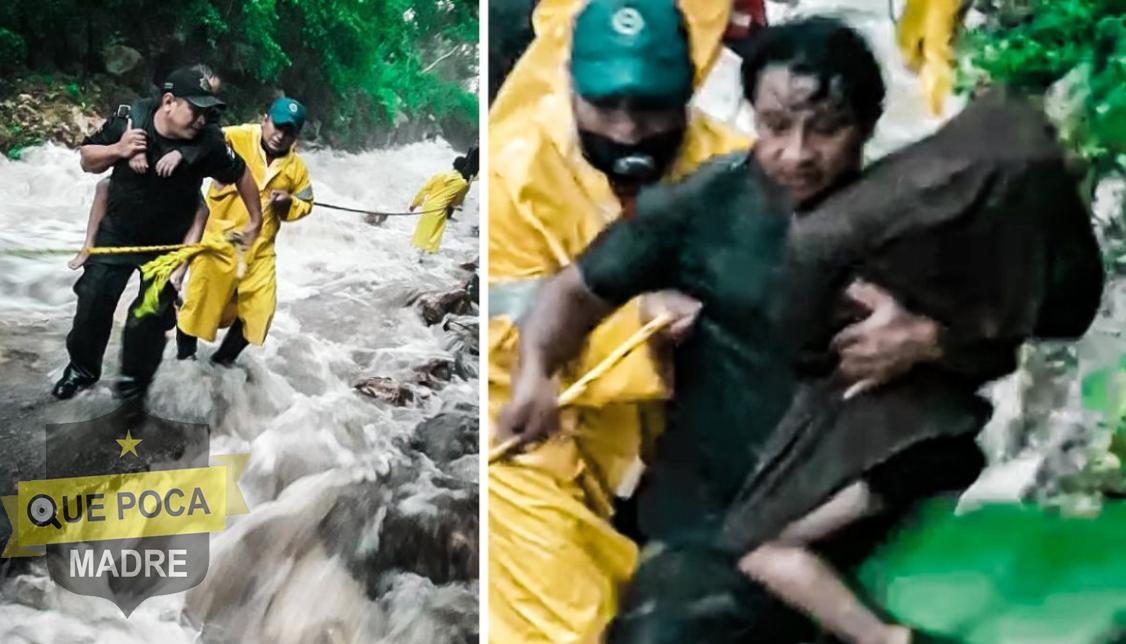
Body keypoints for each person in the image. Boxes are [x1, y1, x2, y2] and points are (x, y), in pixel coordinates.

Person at [500, 16, 1101, 644]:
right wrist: (536, 373)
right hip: (717, 518)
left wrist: (930, 337)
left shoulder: (923, 209)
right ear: (753, 115)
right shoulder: (703, 205)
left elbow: (1056, 311)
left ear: (868, 125)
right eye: (777, 127)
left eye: (828, 129)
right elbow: (574, 291)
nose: (798, 153)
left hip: (867, 505)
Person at [486, 0, 754, 641]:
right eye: (605, 107)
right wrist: (642, 322)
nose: (629, 132)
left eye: (652, 108)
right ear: (570, 86)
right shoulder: (514, 176)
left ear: (690, 87)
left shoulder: (745, 171)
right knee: (569, 628)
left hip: (684, 445)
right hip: (535, 442)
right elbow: (506, 356)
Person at [52, 66, 264, 404]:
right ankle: (81, 370)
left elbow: (242, 174)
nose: (201, 119)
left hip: (167, 245)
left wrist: (256, 220)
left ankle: (132, 387)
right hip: (118, 233)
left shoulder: (208, 143)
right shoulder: (128, 122)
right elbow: (87, 160)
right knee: (93, 301)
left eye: (207, 113)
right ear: (168, 101)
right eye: (195, 109)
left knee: (147, 320)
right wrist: (118, 150)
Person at [175, 98, 314, 366]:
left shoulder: (297, 169)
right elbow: (200, 144)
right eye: (277, 126)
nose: (280, 135)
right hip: (219, 239)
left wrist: (290, 203)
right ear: (264, 119)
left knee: (260, 311)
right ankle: (185, 363)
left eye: (289, 132)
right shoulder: (236, 137)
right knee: (198, 305)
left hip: (260, 250)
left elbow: (307, 203)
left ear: (296, 136)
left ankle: (222, 361)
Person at [69, 64, 224, 272]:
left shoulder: (208, 117)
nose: (208, 100)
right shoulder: (160, 105)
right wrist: (133, 150)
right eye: (205, 93)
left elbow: (212, 139)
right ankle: (88, 245)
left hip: (177, 194)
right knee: (105, 186)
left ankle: (179, 271)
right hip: (136, 191)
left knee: (201, 209)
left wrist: (181, 154)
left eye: (212, 94)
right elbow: (139, 109)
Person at [409, 156, 472, 257]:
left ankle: (414, 253)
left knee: (422, 230)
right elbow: (456, 201)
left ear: (453, 164)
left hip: (429, 206)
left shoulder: (440, 175)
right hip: (440, 209)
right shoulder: (462, 183)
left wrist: (415, 203)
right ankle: (424, 257)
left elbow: (425, 189)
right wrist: (456, 205)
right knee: (434, 234)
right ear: (464, 168)